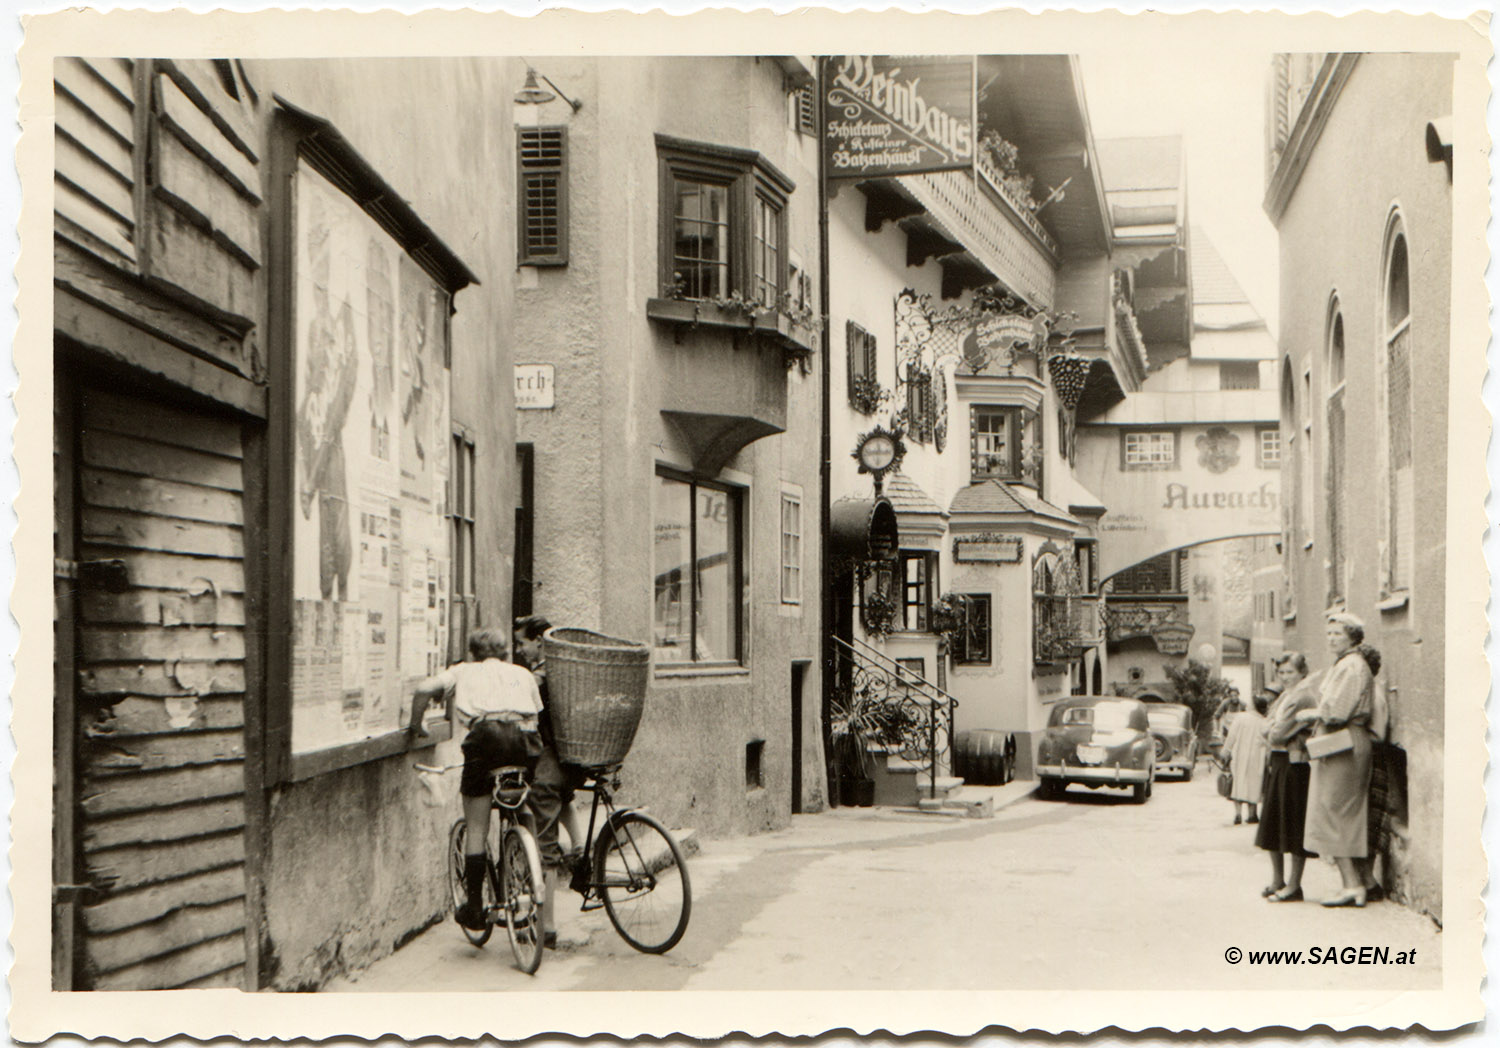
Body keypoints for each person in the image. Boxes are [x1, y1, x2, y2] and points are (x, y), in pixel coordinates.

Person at [410, 628, 543, 931]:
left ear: (473, 652)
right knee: (520, 801)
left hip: (486, 738)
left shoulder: (463, 670)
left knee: (477, 826)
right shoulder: (521, 673)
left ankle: (474, 907)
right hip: (526, 741)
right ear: (504, 651)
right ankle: (526, 874)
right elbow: (536, 714)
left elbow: (422, 689)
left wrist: (416, 724)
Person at [1295, 612, 1382, 907]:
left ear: (1353, 637)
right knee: (1338, 810)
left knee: (1336, 811)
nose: (1331, 638)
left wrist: (1311, 714)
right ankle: (1357, 882)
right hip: (1342, 741)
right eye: (1329, 633)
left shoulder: (1350, 666)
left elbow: (1336, 711)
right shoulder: (1348, 664)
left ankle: (1352, 885)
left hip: (1344, 741)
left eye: (1338, 633)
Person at [514, 614, 590, 946]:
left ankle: (548, 927)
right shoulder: (566, 670)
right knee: (565, 798)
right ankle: (581, 855)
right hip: (572, 760)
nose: (519, 650)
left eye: (522, 643)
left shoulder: (540, 678)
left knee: (544, 850)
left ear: (540, 642)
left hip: (548, 765)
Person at [1255, 654, 1322, 902]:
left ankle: (1294, 885)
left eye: (1290, 672)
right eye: (1281, 672)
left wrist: (1272, 728)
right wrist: (1271, 728)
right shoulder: (1286, 695)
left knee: (1293, 823)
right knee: (1273, 820)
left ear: (1302, 673)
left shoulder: (1303, 696)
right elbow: (1268, 727)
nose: (1284, 677)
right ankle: (1277, 880)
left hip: (1296, 766)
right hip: (1279, 761)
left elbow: (1276, 733)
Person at [1222, 689, 1270, 826]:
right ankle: (1252, 814)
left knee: (1238, 781)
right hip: (1257, 756)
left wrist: (1226, 750)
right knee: (1254, 782)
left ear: (1253, 705)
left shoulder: (1241, 717)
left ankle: (1237, 814)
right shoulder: (1264, 721)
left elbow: (1231, 736)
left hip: (1240, 754)